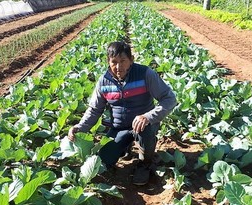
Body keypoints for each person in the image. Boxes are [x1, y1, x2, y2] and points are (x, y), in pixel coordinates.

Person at [68, 41, 177, 185]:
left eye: (123, 61)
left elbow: (169, 99)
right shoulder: (104, 82)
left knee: (145, 131)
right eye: (114, 62)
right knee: (104, 160)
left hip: (143, 126)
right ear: (108, 61)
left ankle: (145, 163)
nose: (118, 67)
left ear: (131, 60)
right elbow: (95, 110)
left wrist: (148, 116)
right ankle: (123, 146)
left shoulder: (145, 74)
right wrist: (80, 127)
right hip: (119, 128)